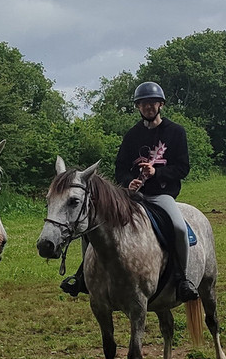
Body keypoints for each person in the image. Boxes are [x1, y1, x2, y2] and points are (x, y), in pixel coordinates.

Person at [60, 81, 198, 301]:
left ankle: (182, 279)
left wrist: (156, 173)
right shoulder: (132, 135)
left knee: (179, 228)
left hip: (161, 196)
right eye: (143, 104)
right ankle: (83, 276)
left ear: (160, 104)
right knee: (91, 225)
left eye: (152, 103)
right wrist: (128, 183)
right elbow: (121, 167)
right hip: (132, 196)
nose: (148, 107)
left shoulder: (175, 132)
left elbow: (182, 167)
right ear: (138, 107)